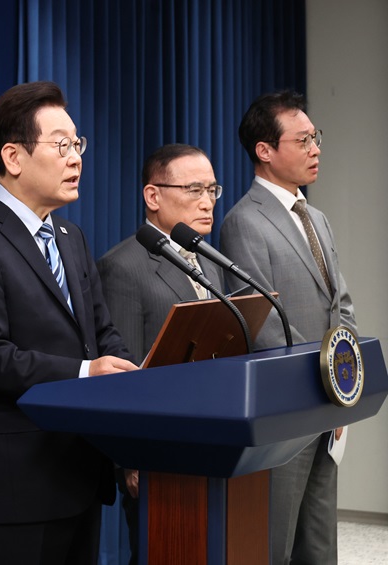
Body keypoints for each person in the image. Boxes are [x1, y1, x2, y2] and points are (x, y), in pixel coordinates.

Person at [0, 81, 137, 565]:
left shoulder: (70, 236)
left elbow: (100, 332)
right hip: (16, 483)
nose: (76, 159)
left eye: (78, 144)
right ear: (13, 157)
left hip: (80, 469)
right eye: (61, 145)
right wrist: (85, 372)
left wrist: (133, 372)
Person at [220, 91, 356, 565]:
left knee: (320, 545)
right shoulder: (243, 222)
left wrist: (343, 380)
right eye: (303, 140)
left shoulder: (316, 217)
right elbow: (263, 325)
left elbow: (341, 304)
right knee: (274, 545)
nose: (316, 149)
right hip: (286, 410)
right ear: (265, 150)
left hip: (327, 405)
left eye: (316, 138)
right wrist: (319, 383)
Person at [97, 143, 225, 564]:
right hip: (159, 450)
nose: (207, 202)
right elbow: (126, 370)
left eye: (212, 190)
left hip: (213, 438)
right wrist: (133, 458)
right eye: (194, 190)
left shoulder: (210, 261)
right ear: (153, 196)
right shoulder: (124, 266)